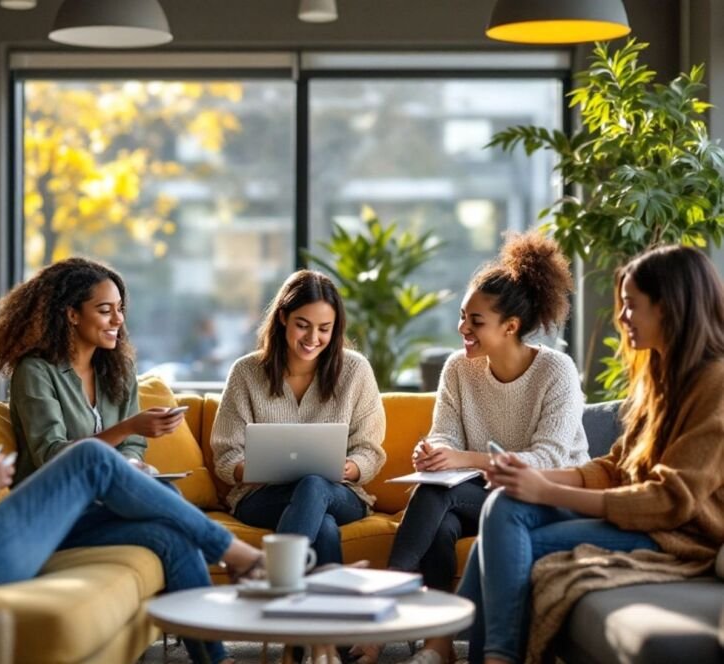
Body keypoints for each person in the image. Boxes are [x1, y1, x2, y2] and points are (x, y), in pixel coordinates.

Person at [0, 263, 263, 664]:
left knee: (168, 532)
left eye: (120, 310)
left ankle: (215, 658)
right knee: (91, 457)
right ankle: (238, 554)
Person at [414, 244, 724, 664]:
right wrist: (535, 484)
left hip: (677, 532)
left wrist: (547, 491)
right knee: (504, 505)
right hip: (636, 513)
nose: (622, 317)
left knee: (506, 535)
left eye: (632, 306)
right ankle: (484, 653)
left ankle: (491, 654)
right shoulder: (661, 377)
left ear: (670, 308)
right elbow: (618, 466)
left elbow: (669, 501)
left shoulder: (715, 384)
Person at [352, 233, 590, 664]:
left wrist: (463, 460)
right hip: (479, 494)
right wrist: (435, 452)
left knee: (437, 494)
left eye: (475, 321)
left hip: (546, 497)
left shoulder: (556, 371)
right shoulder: (458, 369)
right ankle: (438, 644)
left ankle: (383, 619)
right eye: (463, 316)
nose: (463, 328)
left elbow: (549, 459)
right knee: (438, 515)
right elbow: (444, 433)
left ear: (510, 327)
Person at [211, 269, 387, 567]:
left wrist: (350, 467)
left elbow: (369, 450)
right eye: (302, 325)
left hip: (339, 493)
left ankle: (274, 579)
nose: (313, 338)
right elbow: (227, 455)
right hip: (262, 497)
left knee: (314, 485)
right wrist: (255, 469)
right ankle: (327, 605)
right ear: (283, 318)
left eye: (324, 328)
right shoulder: (246, 373)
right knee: (325, 528)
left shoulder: (355, 371)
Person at [0, 257, 185, 485]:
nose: (118, 319)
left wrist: (131, 465)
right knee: (164, 501)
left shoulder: (120, 370)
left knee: (163, 489)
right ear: (73, 315)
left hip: (109, 489)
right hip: (57, 495)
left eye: (119, 308)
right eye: (104, 310)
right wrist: (128, 427)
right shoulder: (35, 371)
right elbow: (51, 455)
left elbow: (133, 444)